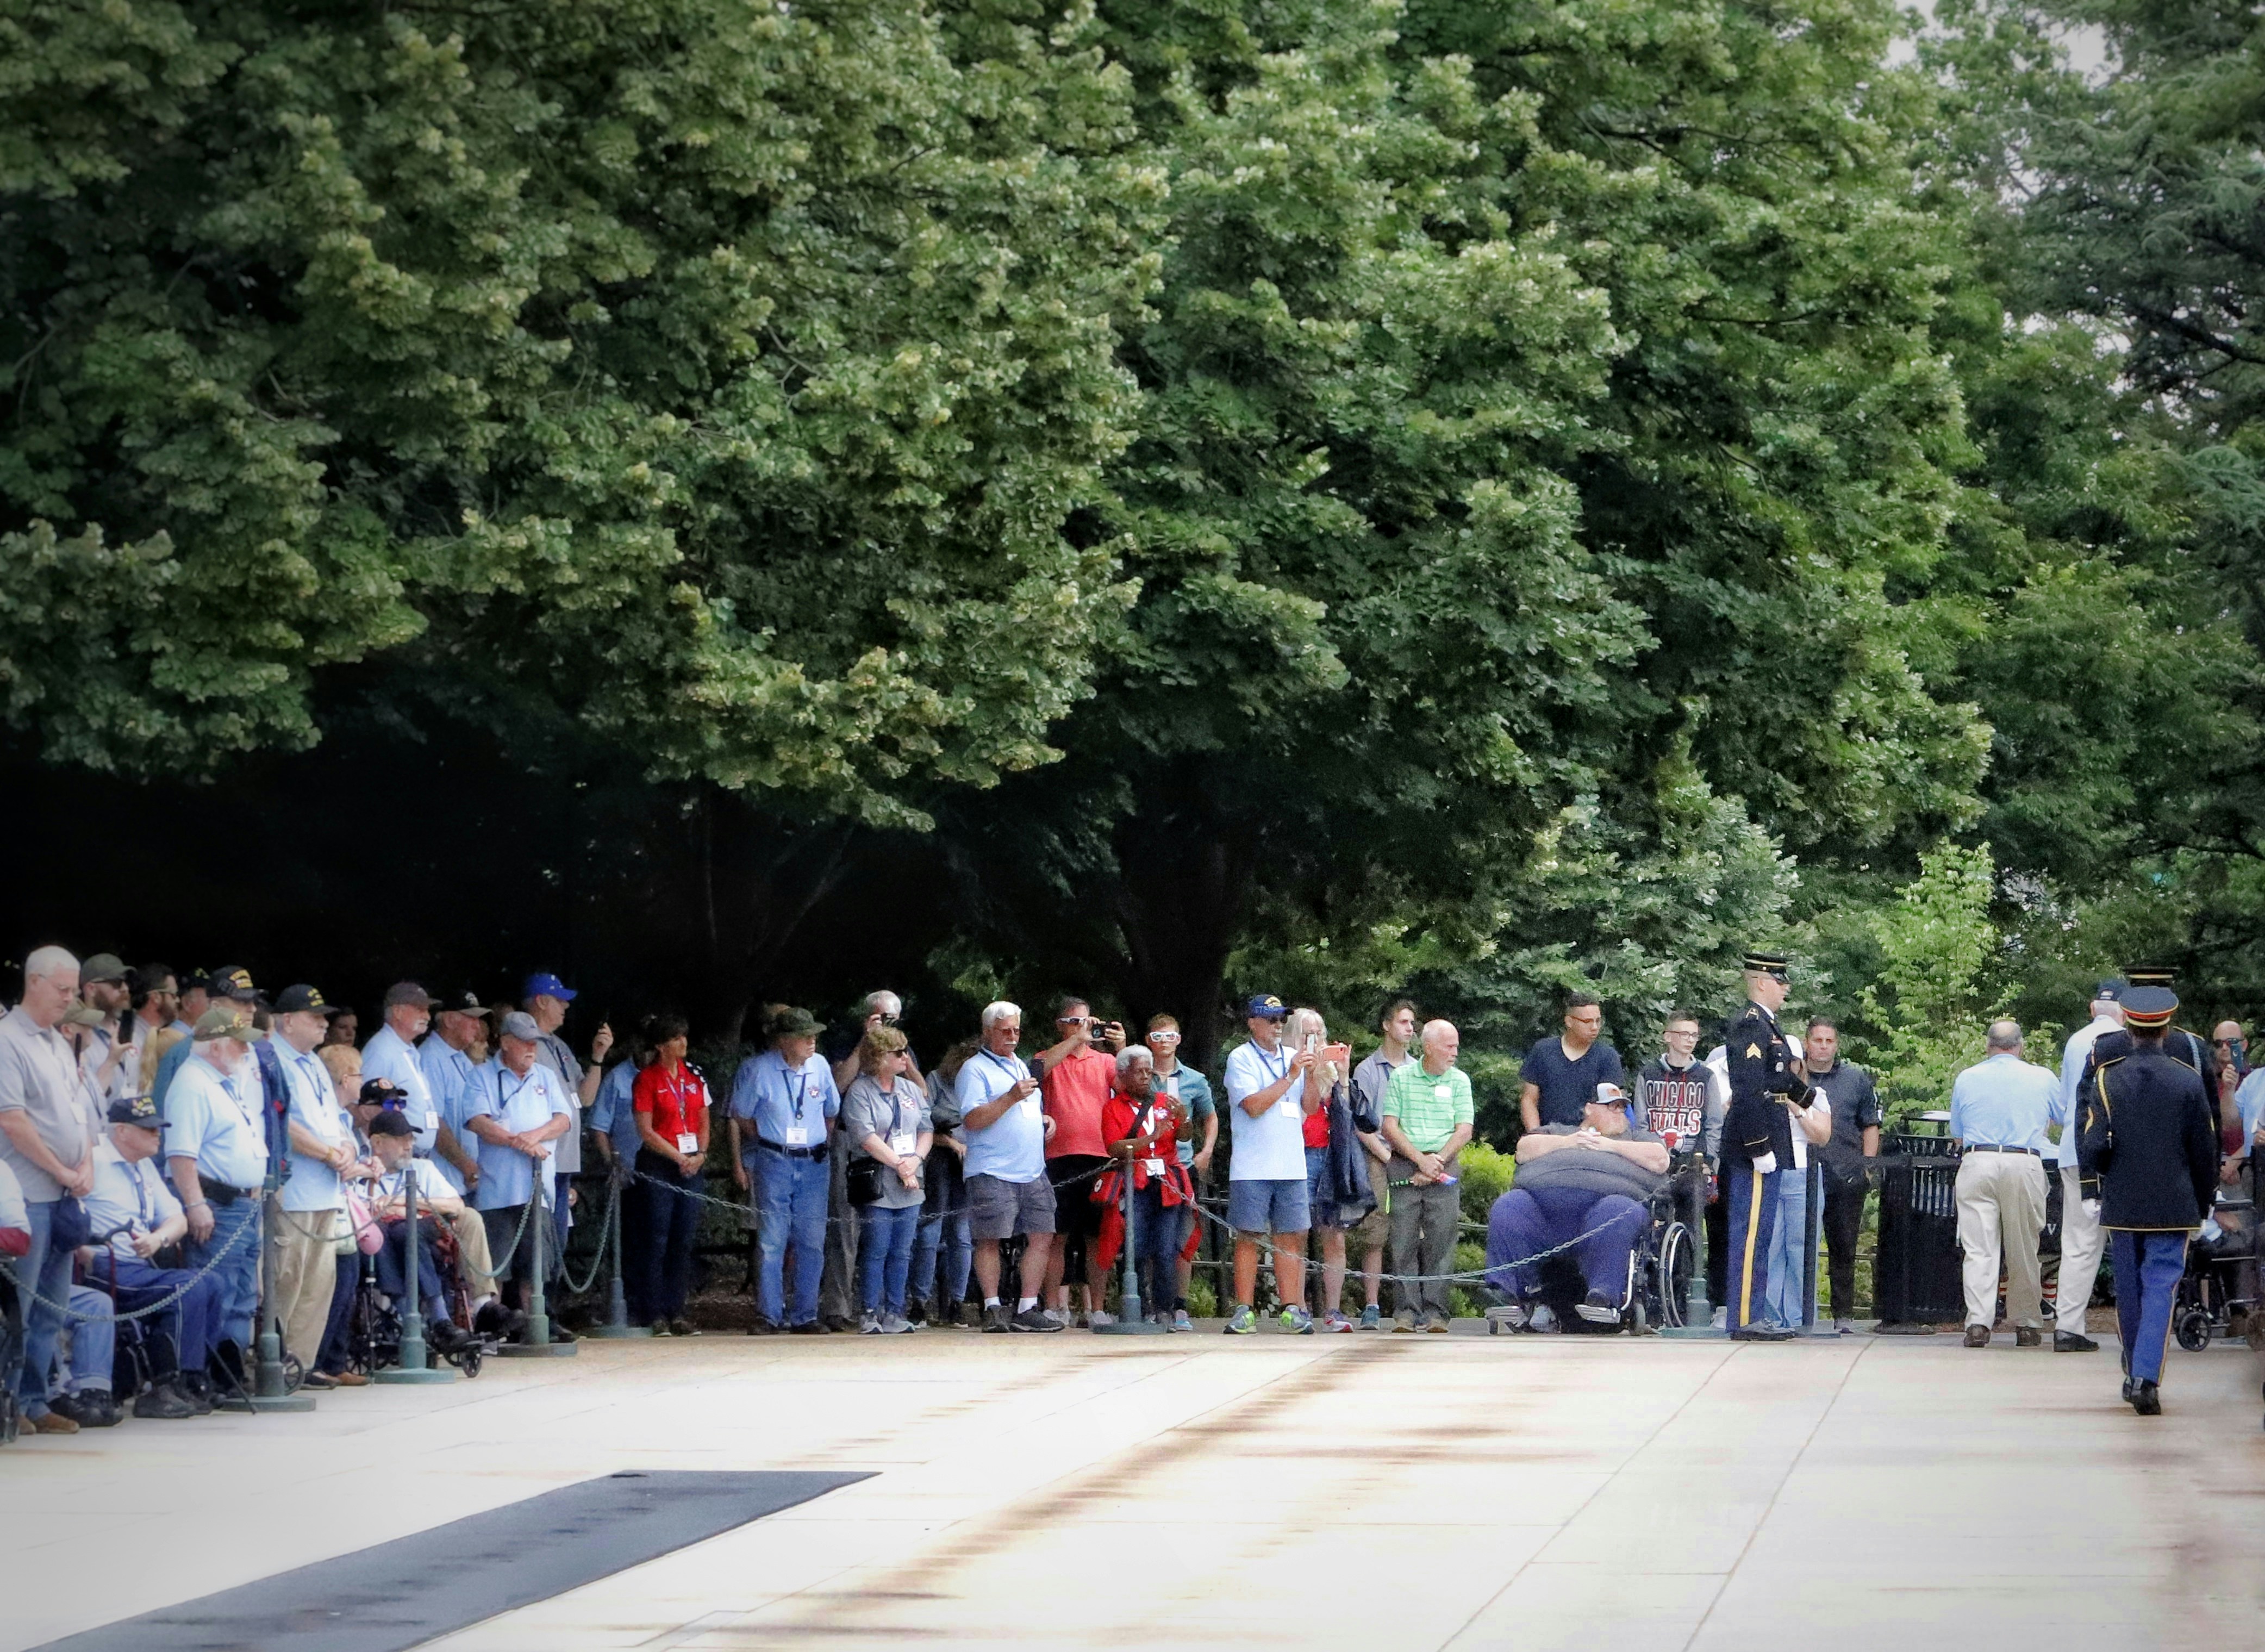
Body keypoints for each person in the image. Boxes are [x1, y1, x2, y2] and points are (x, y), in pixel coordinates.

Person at [2075, 986, 2219, 1414]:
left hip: (2122, 1203)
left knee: (2130, 1290)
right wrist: (2204, 1198)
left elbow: (2091, 1145)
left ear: (2128, 1025)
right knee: (2160, 1287)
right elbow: (2203, 1149)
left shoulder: (2106, 1077)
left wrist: (2093, 1183)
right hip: (2174, 1203)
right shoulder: (2187, 1079)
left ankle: (2134, 1366)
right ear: (2166, 1027)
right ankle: (2144, 1376)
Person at [77, 1093, 223, 1418]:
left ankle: (191, 1376)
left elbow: (178, 1219)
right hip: (105, 1267)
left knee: (211, 1282)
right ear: (122, 1132)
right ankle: (167, 1384)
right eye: (148, 1130)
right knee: (188, 1287)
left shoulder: (144, 1166)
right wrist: (81, 1248)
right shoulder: (94, 1160)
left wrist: (157, 1239)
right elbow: (70, 1207)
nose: (157, 1136)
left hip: (139, 1265)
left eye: (158, 1129)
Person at [1488, 1083, 1670, 1329]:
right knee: (1509, 1206)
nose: (1619, 1112)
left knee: (1617, 1210)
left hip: (1604, 1210)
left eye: (1621, 1108)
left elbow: (1660, 1160)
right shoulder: (1558, 1131)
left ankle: (1602, 1297)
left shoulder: (1636, 1138)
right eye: (1611, 1107)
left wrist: (1608, 1145)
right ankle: (1504, 1292)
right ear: (1588, 1109)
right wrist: (1570, 1142)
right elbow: (1524, 1150)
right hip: (1542, 1212)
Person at [164, 1007, 271, 1369]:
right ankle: (203, 1372)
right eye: (239, 1044)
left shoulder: (220, 1081)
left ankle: (230, 1372)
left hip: (240, 1203)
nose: (245, 1051)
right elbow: (181, 1153)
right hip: (218, 1203)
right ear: (215, 1046)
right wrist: (195, 1204)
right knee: (217, 1293)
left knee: (241, 1294)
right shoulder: (193, 1084)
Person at [728, 1006, 840, 1334]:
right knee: (771, 1240)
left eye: (814, 1035)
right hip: (775, 1160)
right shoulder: (758, 1070)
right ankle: (769, 1315)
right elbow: (741, 1114)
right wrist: (770, 1141)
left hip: (814, 1162)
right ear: (784, 1041)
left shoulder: (819, 1067)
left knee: (812, 1239)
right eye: (805, 1036)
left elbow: (832, 1112)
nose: (812, 1042)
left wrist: (817, 1142)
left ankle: (805, 1315)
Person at [1949, 1020, 2060, 1349]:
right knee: (2024, 1246)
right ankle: (2026, 1324)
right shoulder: (2042, 1077)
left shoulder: (1967, 1078)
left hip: (1978, 1160)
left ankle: (1979, 1324)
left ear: (1988, 1046)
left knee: (1979, 1249)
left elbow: (1958, 1131)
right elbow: (2066, 1117)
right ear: (2021, 1046)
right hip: (2023, 1161)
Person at [463, 1010, 575, 1330]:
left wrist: (534, 1137)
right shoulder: (482, 1075)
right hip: (497, 1190)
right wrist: (517, 1142)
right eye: (525, 1043)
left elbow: (563, 1119)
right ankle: (491, 1331)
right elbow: (478, 1122)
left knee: (535, 1265)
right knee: (495, 1268)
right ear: (506, 1042)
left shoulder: (545, 1076)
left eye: (535, 1043)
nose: (531, 1049)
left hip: (538, 1188)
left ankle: (536, 1325)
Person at [955, 1001, 1060, 1333]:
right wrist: (1011, 1098)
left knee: (1043, 1234)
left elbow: (1024, 1106)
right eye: (1005, 1031)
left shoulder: (1019, 1065)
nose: (1013, 1036)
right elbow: (972, 1119)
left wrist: (1042, 1119)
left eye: (1017, 1030)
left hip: (1032, 1168)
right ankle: (993, 1307)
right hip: (992, 1169)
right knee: (989, 1239)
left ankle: (1028, 1305)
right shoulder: (974, 1070)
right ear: (987, 1032)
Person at [269, 983, 355, 1379]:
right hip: (296, 1190)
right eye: (314, 1017)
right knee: (286, 1281)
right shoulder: (273, 1059)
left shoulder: (315, 1062)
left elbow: (335, 1118)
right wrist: (330, 1154)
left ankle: (298, 1367)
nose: (324, 1023)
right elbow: (286, 1124)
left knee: (318, 1285)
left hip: (326, 1189)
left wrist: (347, 1149)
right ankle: (271, 1363)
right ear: (287, 1020)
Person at [1222, 994, 1320, 1334]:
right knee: (1249, 1236)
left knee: (1291, 1238)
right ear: (1252, 1022)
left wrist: (1312, 1075)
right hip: (1253, 1166)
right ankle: (1244, 1309)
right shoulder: (1241, 1058)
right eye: (1272, 1019)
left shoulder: (1293, 1057)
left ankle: (1291, 1308)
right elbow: (1253, 1106)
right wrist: (1292, 1076)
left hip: (1291, 1164)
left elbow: (1310, 1107)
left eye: (1282, 1019)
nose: (1279, 1026)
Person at [1721, 950, 1804, 1342]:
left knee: (1762, 1231)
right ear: (1760, 983)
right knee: (1751, 1232)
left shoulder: (1769, 1026)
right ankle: (1743, 1317)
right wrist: (1757, 1145)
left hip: (1772, 1134)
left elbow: (1780, 1080)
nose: (1785, 989)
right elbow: (1749, 1088)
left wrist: (1812, 1102)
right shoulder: (1749, 1025)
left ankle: (1752, 1312)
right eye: (1779, 981)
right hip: (1755, 1142)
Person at [1381, 1019, 1475, 1332]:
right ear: (1429, 1047)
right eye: (1449, 1046)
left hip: (1444, 1165)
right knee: (1403, 1241)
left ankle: (1437, 1312)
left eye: (1457, 1046)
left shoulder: (1460, 1081)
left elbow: (1464, 1129)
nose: (1455, 1052)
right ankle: (1406, 1312)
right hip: (1406, 1163)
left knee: (1442, 1241)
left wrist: (1438, 1162)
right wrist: (1420, 1160)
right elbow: (1390, 1126)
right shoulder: (1402, 1077)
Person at [1034, 995, 1123, 1325]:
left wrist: (1121, 1047)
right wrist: (1075, 1039)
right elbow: (1039, 1071)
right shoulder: (1049, 1057)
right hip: (1058, 1157)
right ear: (1060, 1025)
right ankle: (1055, 1306)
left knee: (1096, 1236)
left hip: (1099, 1157)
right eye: (1074, 1021)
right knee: (1055, 1235)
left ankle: (1096, 1308)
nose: (1083, 1027)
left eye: (1087, 1021)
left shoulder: (1103, 1062)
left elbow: (1129, 1085)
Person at [360, 1112, 478, 1357]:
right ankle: (417, 1318)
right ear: (377, 1143)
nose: (409, 1146)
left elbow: (456, 1206)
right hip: (381, 1245)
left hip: (425, 1242)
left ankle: (437, 1319)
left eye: (411, 1139)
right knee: (381, 1234)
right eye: (401, 1140)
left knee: (406, 1231)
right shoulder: (362, 1172)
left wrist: (404, 1203)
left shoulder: (422, 1167)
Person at [842, 1024, 932, 1335]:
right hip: (879, 1179)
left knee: (902, 1249)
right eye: (899, 1053)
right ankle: (869, 1311)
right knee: (877, 1248)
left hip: (910, 1179)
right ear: (880, 1057)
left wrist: (915, 1161)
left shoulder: (909, 1090)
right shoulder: (860, 1091)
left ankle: (895, 1311)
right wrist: (899, 1165)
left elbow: (926, 1128)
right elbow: (865, 1136)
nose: (905, 1058)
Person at [2051, 981, 2126, 1353]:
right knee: (2129, 1238)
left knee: (2078, 1242)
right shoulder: (2127, 1041)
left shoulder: (2074, 1041)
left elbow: (2068, 1099)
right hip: (2116, 1153)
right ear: (2124, 1011)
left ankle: (2068, 1325)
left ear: (2091, 1006)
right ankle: (2134, 1323)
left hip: (2073, 1150)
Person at [523, 971, 611, 1274]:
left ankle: (552, 1309)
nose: (566, 1007)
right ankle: (538, 1312)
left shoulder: (558, 1046)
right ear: (541, 1001)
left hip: (564, 1160)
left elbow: (585, 1098)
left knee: (558, 1239)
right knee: (540, 1239)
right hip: (542, 1158)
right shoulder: (525, 1044)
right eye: (560, 1001)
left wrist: (598, 1058)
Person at [1101, 1044, 1194, 1324]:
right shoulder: (1113, 1108)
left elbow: (1186, 1136)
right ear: (1123, 1075)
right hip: (1136, 1184)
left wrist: (1183, 1118)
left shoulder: (1166, 1101)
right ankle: (1136, 1307)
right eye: (1138, 1071)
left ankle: (1164, 1309)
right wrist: (1149, 1139)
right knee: (1135, 1246)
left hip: (1168, 1183)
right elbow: (1115, 1147)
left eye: (1148, 1071)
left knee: (1167, 1247)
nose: (1145, 1076)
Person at [631, 1013, 710, 1337]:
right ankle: (653, 1312)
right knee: (656, 1238)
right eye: (676, 1038)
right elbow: (645, 1130)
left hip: (691, 1165)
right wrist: (678, 1156)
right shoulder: (647, 1079)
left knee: (683, 1238)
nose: (684, 1043)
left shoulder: (694, 1077)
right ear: (661, 1045)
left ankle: (677, 1310)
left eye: (685, 1036)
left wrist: (700, 1155)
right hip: (660, 1163)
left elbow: (704, 1120)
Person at [1799, 1018, 1880, 1334]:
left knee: (1843, 1246)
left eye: (1828, 1041)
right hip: (1801, 1173)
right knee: (1798, 1244)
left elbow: (1870, 1124)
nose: (1822, 1046)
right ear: (1807, 1042)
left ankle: (1843, 1315)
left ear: (1837, 1045)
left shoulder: (1855, 1080)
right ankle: (1798, 1312)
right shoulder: (1794, 1077)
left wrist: (1868, 1167)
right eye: (1817, 1040)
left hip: (1846, 1175)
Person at [1633, 1012, 1715, 1323]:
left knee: (1692, 1227)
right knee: (1647, 1221)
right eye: (1683, 1034)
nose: (1689, 1040)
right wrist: (1655, 1148)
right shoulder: (1648, 1074)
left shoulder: (1706, 1077)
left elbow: (1713, 1125)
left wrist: (1707, 1162)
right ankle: (1646, 1294)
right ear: (1668, 1036)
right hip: (1655, 1165)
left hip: (1693, 1167)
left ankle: (1687, 1296)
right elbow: (1640, 1123)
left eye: (1694, 1035)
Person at [1288, 1008, 1365, 1330]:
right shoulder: (1286, 1066)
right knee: (1297, 1233)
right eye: (1308, 1033)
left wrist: (1343, 1076)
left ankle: (1334, 1310)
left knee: (1334, 1234)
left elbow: (1353, 1116)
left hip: (1331, 1155)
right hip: (1298, 1153)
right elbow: (1300, 1108)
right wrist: (1308, 1071)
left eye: (1320, 1032)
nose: (1316, 1038)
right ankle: (1298, 1307)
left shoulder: (1333, 1071)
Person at [1347, 1000, 1417, 1329]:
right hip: (1378, 1157)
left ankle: (1411, 1305)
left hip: (1412, 1157)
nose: (1409, 1028)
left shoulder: (1419, 1068)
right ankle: (1372, 1305)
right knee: (1374, 1233)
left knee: (1411, 1233)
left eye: (1412, 1023)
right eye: (1403, 1021)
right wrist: (1389, 1157)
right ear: (1387, 1025)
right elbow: (1362, 1125)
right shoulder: (1366, 1069)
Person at [1148, 1014, 1216, 1333]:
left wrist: (1207, 1152)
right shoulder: (1141, 1074)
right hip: (1147, 1164)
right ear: (1150, 1040)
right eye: (1158, 1037)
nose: (1164, 1043)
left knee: (1182, 1239)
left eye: (1170, 1037)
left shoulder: (1194, 1079)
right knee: (1150, 1239)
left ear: (1179, 1040)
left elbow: (1211, 1118)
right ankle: (1154, 1302)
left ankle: (1180, 1304)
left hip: (1182, 1166)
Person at [1761, 1037, 1833, 1332]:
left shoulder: (1816, 1095)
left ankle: (1800, 1317)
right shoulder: (1763, 1093)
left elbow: (1822, 1136)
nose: (1787, 1067)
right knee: (1771, 1247)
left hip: (1804, 1174)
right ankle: (1770, 1316)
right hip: (1771, 1172)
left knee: (1801, 1248)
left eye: (1792, 1061)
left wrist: (1796, 1105)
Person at [910, 1039, 976, 1327]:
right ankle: (920, 1302)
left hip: (968, 1163)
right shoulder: (937, 1079)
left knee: (961, 1235)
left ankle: (957, 1302)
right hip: (938, 1158)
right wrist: (950, 1140)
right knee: (930, 1230)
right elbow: (922, 1123)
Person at [419, 991, 491, 1195]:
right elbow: (435, 1123)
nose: (478, 1026)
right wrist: (468, 1167)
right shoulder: (430, 1058)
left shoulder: (460, 1057)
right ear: (450, 1020)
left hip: (466, 1182)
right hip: (445, 1185)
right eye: (472, 1019)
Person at [1520, 993, 1627, 1131]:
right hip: (1548, 1135)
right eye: (1587, 1022)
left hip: (1591, 1138)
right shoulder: (1543, 1051)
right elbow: (1529, 1099)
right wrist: (1535, 1134)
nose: (1595, 1027)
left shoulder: (1608, 1057)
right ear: (1569, 1021)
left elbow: (1611, 1108)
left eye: (1598, 1021)